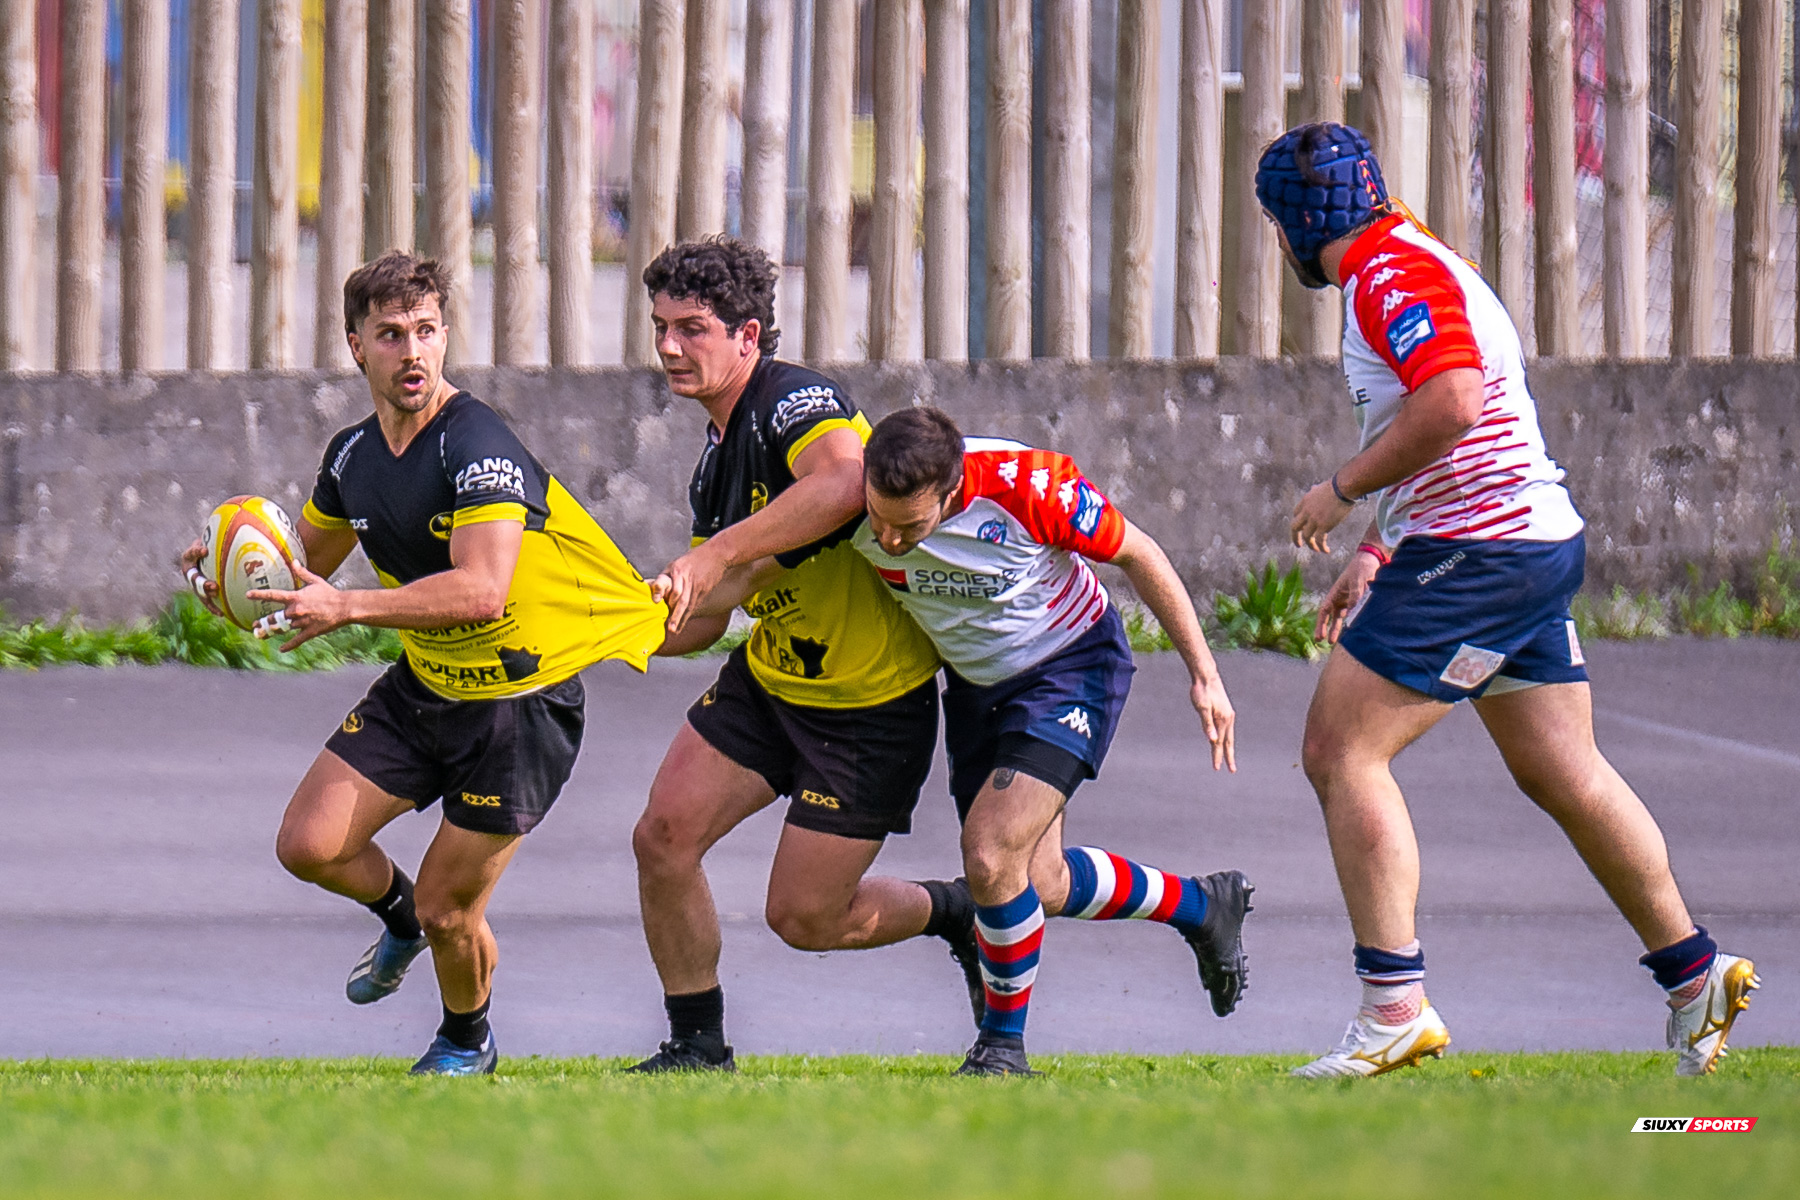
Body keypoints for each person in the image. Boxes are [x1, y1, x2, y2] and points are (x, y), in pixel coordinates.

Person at [1255, 122, 1759, 1078]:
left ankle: (1393, 1008)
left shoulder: (1386, 275)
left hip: (1478, 552)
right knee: (1563, 769)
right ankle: (1696, 976)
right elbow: (1454, 418)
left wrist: (1345, 489)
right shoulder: (1418, 255)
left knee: (1341, 751)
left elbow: (1450, 402)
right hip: (1529, 541)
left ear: (1293, 224)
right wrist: (1378, 548)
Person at [182, 252, 667, 1075]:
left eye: (428, 331)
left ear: (445, 339)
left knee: (454, 908)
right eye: (392, 334)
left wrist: (348, 609)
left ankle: (466, 1038)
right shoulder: (350, 458)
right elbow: (309, 563)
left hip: (519, 705)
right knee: (310, 844)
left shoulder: (477, 444)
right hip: (428, 687)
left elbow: (482, 590)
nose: (413, 352)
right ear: (356, 346)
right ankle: (398, 922)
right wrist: (233, 573)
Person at [627, 236, 981, 1073]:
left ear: (749, 336)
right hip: (772, 683)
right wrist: (622, 626)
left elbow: (844, 481)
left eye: (694, 328)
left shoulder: (794, 399)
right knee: (662, 838)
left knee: (805, 919)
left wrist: (713, 558)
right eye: (661, 328)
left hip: (868, 709)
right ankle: (696, 1045)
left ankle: (955, 914)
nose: (671, 347)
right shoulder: (714, 464)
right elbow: (709, 620)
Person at [854, 406, 1252, 1076]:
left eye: (911, 527)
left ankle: (1002, 1049)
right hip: (979, 686)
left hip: (1071, 667)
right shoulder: (843, 496)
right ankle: (1203, 905)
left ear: (952, 494)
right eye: (879, 522)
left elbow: (1138, 552)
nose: (890, 542)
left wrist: (1205, 675)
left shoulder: (1030, 486)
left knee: (988, 852)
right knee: (1038, 880)